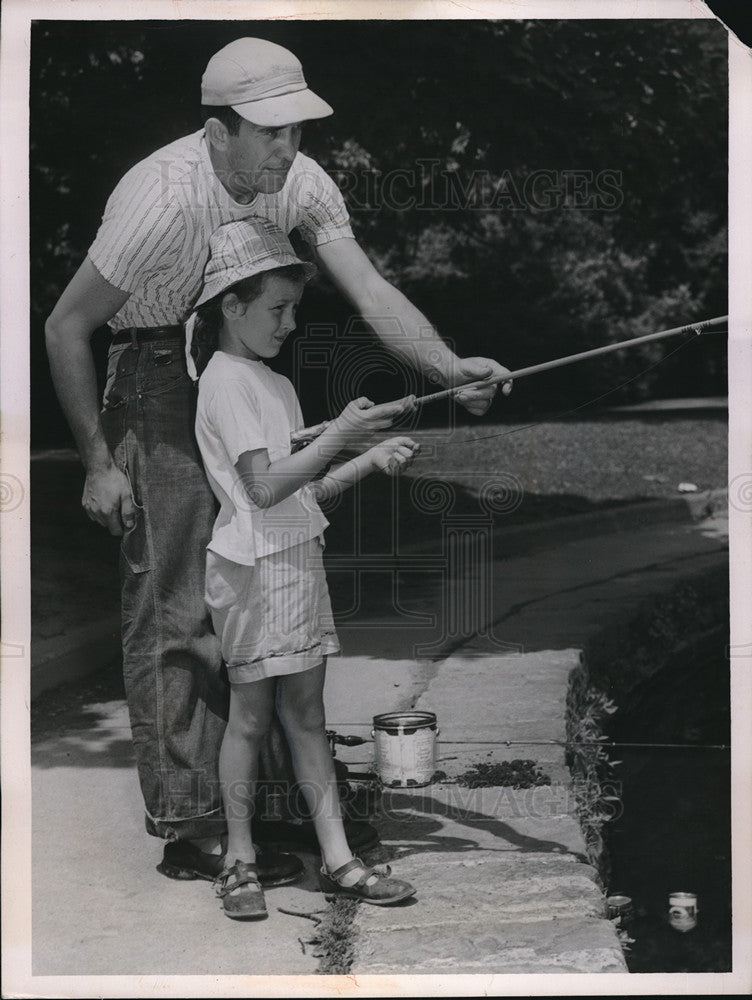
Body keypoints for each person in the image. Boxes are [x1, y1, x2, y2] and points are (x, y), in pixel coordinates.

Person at [44, 36, 510, 886]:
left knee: (251, 602)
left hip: (236, 368)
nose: (287, 149)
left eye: (295, 129)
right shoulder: (161, 198)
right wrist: (97, 464)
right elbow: (66, 327)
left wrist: (447, 369)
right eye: (268, 133)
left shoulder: (298, 179)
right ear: (218, 133)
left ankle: (263, 809)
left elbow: (368, 290)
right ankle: (189, 825)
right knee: (179, 608)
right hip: (149, 375)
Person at [193, 217, 420, 918]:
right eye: (276, 309)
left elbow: (300, 491)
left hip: (296, 561)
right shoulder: (224, 382)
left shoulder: (275, 385)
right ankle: (238, 861)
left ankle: (339, 860)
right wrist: (343, 434)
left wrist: (362, 458)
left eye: (294, 309)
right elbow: (260, 489)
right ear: (231, 306)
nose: (289, 323)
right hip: (252, 573)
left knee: (307, 719)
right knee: (250, 720)